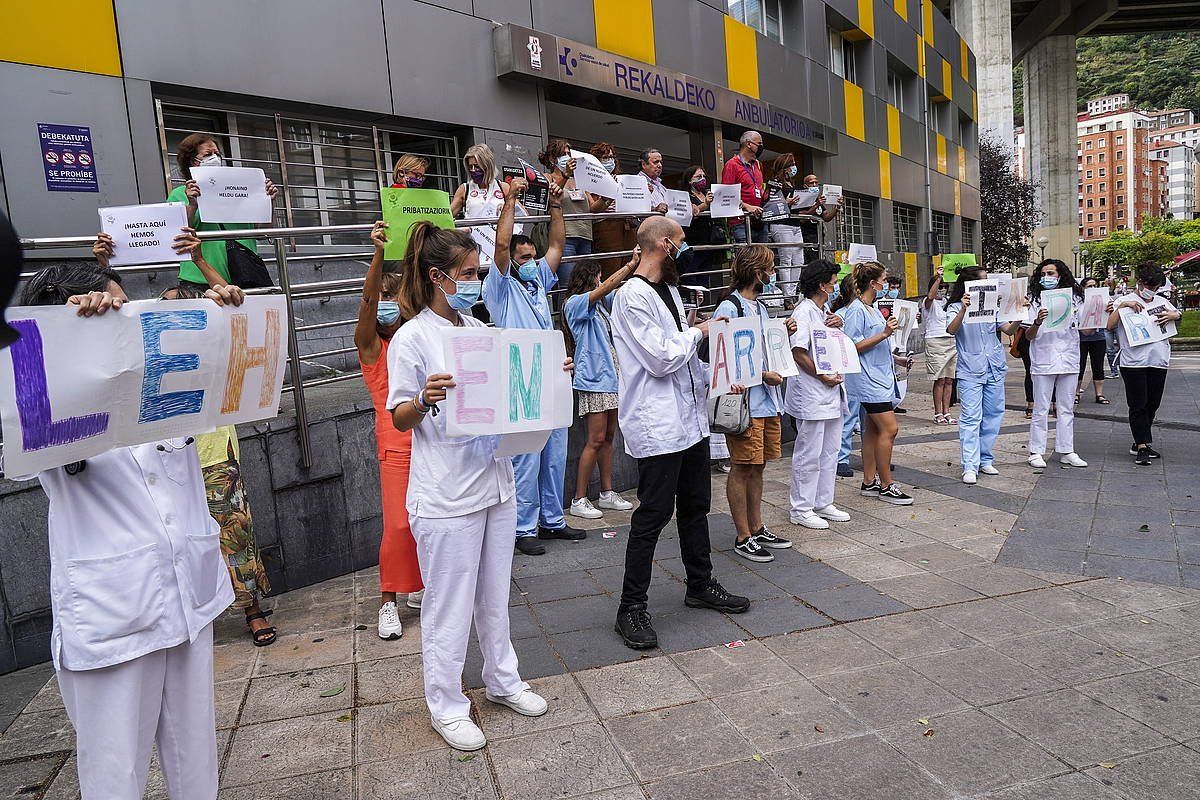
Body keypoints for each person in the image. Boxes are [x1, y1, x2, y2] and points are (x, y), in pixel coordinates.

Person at [15, 264, 242, 800]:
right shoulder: (44, 384)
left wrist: (227, 317)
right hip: (114, 611)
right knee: (115, 771)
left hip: (188, 590)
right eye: (111, 311)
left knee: (195, 758)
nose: (127, 323)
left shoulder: (165, 377)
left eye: (126, 307)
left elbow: (240, 378)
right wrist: (64, 344)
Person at [385, 221, 563, 751]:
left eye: (478, 272)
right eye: (467, 273)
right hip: (445, 494)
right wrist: (424, 398)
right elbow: (398, 416)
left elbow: (514, 394)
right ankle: (445, 703)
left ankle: (502, 679)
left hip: (495, 482)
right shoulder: (412, 337)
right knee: (449, 602)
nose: (475, 280)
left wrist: (552, 372)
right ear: (438, 276)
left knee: (493, 594)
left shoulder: (480, 329)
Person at [609, 215, 751, 649]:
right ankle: (630, 607)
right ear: (665, 245)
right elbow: (661, 358)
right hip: (658, 425)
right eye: (683, 242)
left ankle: (700, 583)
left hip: (689, 420)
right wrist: (700, 330)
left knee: (695, 506)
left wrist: (722, 374)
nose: (686, 250)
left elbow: (687, 362)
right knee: (652, 515)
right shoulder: (631, 297)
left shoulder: (669, 291)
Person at [486, 176, 580, 555]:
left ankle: (552, 520)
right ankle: (523, 528)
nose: (528, 263)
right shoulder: (500, 284)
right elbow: (501, 245)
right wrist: (510, 200)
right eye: (522, 259)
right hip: (520, 376)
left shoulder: (539, 278)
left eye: (530, 258)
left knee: (555, 453)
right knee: (526, 456)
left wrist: (555, 205)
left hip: (551, 375)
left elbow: (557, 243)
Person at [352, 221, 424, 640]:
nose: (384, 303)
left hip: (430, 441)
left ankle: (419, 588)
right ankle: (387, 602)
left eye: (391, 297)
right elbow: (365, 306)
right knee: (397, 524)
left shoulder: (415, 339)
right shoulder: (371, 344)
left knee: (426, 521)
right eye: (382, 297)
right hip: (394, 446)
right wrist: (379, 255)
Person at [713, 245, 795, 561]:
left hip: (765, 401)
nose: (772, 273)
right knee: (742, 466)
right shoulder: (730, 307)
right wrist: (762, 375)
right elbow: (723, 356)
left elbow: (761, 349)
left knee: (758, 466)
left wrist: (782, 335)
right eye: (769, 267)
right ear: (756, 270)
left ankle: (757, 527)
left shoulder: (759, 307)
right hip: (745, 402)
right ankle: (743, 534)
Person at [833, 262, 914, 505]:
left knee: (872, 431)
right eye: (883, 279)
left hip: (879, 376)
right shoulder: (857, 310)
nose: (886, 284)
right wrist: (884, 334)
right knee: (890, 429)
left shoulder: (872, 309)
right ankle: (886, 484)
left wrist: (896, 358)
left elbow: (877, 344)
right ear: (872, 283)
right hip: (868, 381)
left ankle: (869, 481)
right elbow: (854, 346)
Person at [563, 257, 637, 519]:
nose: (601, 280)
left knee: (608, 438)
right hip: (594, 380)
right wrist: (630, 265)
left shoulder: (602, 307)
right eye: (598, 276)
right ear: (590, 277)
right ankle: (578, 498)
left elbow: (614, 292)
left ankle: (607, 493)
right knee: (594, 440)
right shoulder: (575, 303)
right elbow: (605, 289)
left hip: (611, 378)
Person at [786, 259, 852, 529]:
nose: (836, 286)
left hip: (832, 390)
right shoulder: (804, 312)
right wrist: (821, 375)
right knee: (809, 452)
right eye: (833, 282)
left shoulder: (824, 310)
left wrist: (839, 323)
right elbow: (798, 352)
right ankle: (801, 508)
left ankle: (823, 501)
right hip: (812, 391)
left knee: (830, 449)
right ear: (822, 285)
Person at [168, 132, 278, 291]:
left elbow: (263, 232)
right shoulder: (179, 194)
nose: (215, 158)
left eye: (217, 154)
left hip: (245, 275)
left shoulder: (239, 188)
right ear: (192, 161)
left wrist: (267, 201)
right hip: (200, 279)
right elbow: (176, 234)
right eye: (207, 154)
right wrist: (192, 204)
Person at [944, 265, 1022, 484]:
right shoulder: (953, 306)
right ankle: (969, 464)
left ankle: (985, 458)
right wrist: (963, 309)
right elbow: (951, 330)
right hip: (970, 369)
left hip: (994, 366)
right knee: (970, 417)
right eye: (984, 280)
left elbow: (1008, 330)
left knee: (993, 414)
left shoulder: (992, 306)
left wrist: (1019, 314)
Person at [1107, 263, 1182, 466]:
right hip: (1133, 361)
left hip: (1158, 360)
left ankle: (1140, 440)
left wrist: (1175, 315)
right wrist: (1123, 307)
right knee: (1138, 404)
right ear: (1140, 283)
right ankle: (1142, 445)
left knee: (1153, 403)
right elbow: (1110, 324)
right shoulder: (1124, 300)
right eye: (1151, 286)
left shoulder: (1162, 301)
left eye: (1157, 287)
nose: (1153, 290)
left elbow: (1177, 317)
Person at [1024, 259, 1088, 469]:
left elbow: (1086, 330)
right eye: (1043, 274)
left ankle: (1066, 450)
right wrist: (1037, 321)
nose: (1046, 278)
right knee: (1040, 408)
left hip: (1069, 358)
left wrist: (1099, 314)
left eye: (1051, 273)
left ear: (1060, 275)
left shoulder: (1076, 299)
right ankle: (1036, 451)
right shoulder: (1033, 300)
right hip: (1043, 359)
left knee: (1066, 408)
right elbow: (1028, 335)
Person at [539, 139, 611, 285]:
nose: (567, 157)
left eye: (568, 153)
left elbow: (592, 208)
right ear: (553, 159)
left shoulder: (579, 180)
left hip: (585, 236)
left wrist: (606, 197)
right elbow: (551, 195)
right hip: (564, 238)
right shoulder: (547, 178)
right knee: (568, 284)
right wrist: (565, 175)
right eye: (563, 154)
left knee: (588, 283)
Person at [765, 153, 806, 300]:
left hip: (795, 225)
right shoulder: (774, 183)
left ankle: (792, 292)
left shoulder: (792, 184)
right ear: (784, 167)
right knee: (786, 259)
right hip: (781, 225)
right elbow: (768, 205)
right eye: (791, 164)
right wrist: (786, 203)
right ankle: (787, 295)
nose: (794, 167)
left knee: (799, 260)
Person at [589, 142, 632, 277]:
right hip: (606, 226)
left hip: (626, 226)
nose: (610, 161)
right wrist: (607, 197)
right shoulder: (590, 179)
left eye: (612, 157)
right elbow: (592, 209)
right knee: (611, 268)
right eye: (606, 158)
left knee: (629, 265)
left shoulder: (621, 179)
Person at [923, 267, 958, 424]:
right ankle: (938, 412)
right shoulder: (927, 302)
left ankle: (947, 411)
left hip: (950, 340)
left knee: (949, 379)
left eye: (945, 286)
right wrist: (938, 277)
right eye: (940, 286)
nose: (942, 289)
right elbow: (931, 296)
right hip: (935, 341)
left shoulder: (948, 302)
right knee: (939, 379)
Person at [721, 131, 766, 243]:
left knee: (763, 257)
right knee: (746, 259)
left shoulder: (757, 165)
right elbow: (726, 195)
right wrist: (748, 207)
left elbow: (759, 190)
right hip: (741, 222)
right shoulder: (732, 165)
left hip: (759, 220)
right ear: (748, 144)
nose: (761, 147)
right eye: (758, 143)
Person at [1076, 276, 1111, 406]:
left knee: (1098, 365)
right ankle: (1076, 393)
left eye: (1094, 285)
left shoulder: (1102, 301)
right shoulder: (1078, 303)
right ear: (1083, 288)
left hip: (1098, 337)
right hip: (1081, 338)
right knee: (1080, 365)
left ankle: (1099, 394)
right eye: (1089, 286)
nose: (1093, 288)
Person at [680, 165, 715, 285]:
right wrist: (705, 204)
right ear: (690, 180)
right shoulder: (685, 196)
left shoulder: (708, 193)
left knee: (704, 277)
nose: (702, 179)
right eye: (698, 176)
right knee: (691, 276)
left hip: (709, 241)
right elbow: (691, 213)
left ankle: (704, 302)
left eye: (704, 176)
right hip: (693, 242)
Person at [450, 144, 503, 220]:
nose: (473, 170)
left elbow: (522, 214)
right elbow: (448, 216)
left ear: (487, 165)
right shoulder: (465, 188)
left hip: (498, 231)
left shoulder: (503, 187)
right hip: (472, 231)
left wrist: (508, 208)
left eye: (477, 166)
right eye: (470, 166)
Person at [797, 174, 841, 264]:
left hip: (819, 238)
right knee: (810, 265)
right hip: (806, 239)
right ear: (805, 186)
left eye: (816, 183)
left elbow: (826, 217)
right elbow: (802, 218)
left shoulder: (818, 199)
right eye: (811, 183)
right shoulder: (801, 198)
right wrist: (816, 205)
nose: (814, 185)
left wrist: (837, 207)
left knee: (819, 263)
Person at [637, 148, 670, 214]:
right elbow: (634, 209)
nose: (660, 165)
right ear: (644, 164)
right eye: (656, 162)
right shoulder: (635, 183)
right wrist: (654, 210)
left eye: (661, 162)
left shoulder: (662, 187)